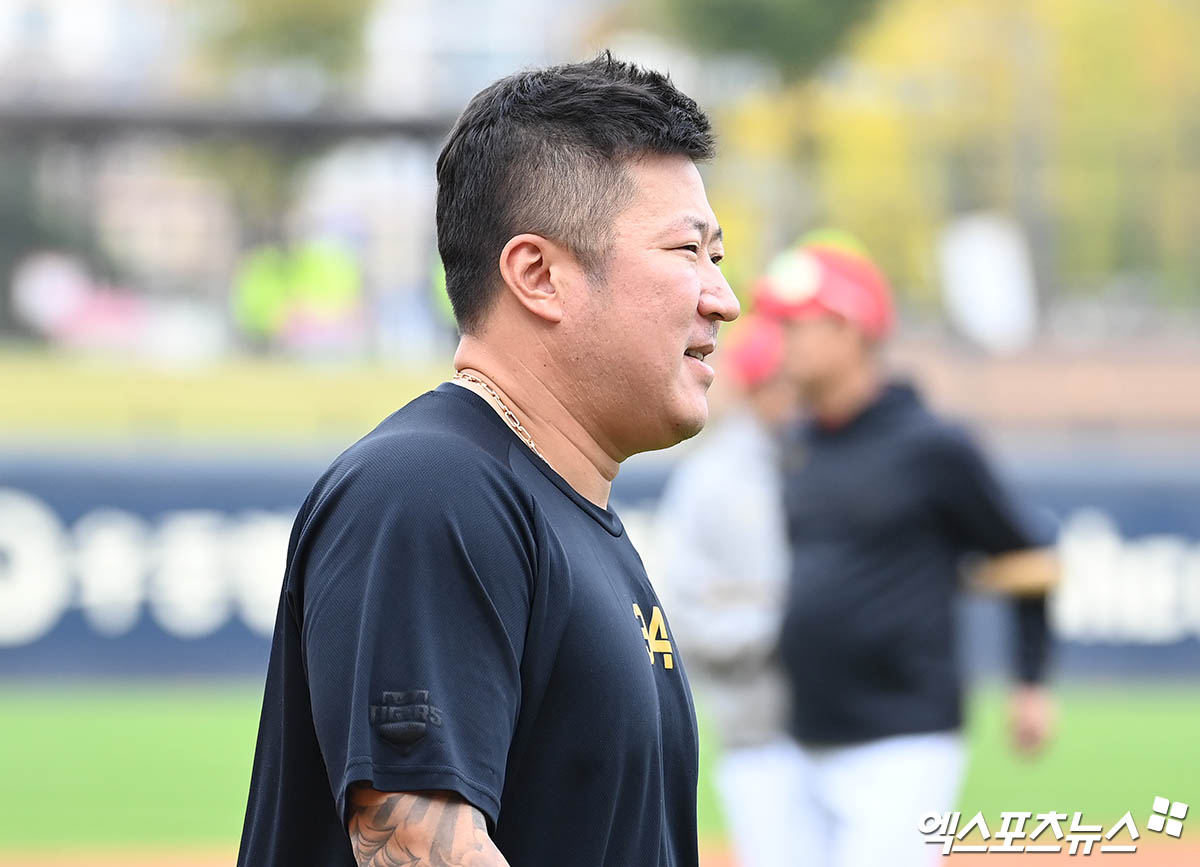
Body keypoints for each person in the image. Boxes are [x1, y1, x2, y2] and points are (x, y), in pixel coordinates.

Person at [237, 54, 739, 867]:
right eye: (688, 251)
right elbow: (410, 837)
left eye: (716, 256)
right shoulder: (432, 489)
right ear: (538, 275)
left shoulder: (573, 514)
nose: (724, 295)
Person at [755, 236, 1058, 867]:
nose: (781, 338)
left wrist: (1030, 682)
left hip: (904, 740)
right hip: (802, 732)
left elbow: (1031, 558)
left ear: (850, 329)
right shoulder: (798, 444)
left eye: (797, 323)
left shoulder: (933, 447)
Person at [655, 314, 803, 867]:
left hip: (847, 724)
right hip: (758, 729)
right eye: (787, 379)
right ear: (761, 385)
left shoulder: (825, 463)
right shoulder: (714, 479)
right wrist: (785, 625)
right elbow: (684, 616)